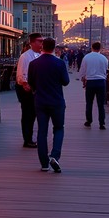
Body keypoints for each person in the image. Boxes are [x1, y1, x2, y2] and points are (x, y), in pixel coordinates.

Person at [27, 37, 69, 172]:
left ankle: (44, 163)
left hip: (40, 101)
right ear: (54, 48)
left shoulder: (33, 64)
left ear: (42, 47)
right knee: (59, 128)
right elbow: (66, 81)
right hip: (56, 101)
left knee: (42, 131)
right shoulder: (59, 63)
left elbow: (31, 82)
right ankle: (55, 156)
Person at [15, 33, 43, 148]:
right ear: (32, 43)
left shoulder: (39, 55)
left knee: (33, 114)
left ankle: (30, 137)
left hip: (35, 89)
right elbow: (22, 74)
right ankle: (27, 139)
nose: (41, 43)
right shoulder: (26, 56)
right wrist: (25, 84)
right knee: (28, 115)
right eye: (39, 41)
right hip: (27, 89)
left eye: (42, 41)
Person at [79, 41, 109, 129]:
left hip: (90, 82)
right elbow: (105, 70)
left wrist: (83, 79)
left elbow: (82, 70)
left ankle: (89, 121)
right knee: (101, 104)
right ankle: (102, 123)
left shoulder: (86, 57)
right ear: (100, 48)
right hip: (101, 82)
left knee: (89, 102)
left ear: (92, 48)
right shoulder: (104, 58)